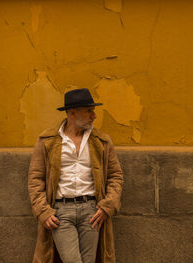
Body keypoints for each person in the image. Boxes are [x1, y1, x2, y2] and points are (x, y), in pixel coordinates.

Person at [28, 88, 123, 263]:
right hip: (60, 212)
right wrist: (43, 211)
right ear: (72, 112)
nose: (93, 115)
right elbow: (35, 179)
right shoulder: (48, 140)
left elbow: (115, 176)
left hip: (92, 211)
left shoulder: (101, 141)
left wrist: (107, 206)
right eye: (89, 111)